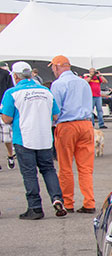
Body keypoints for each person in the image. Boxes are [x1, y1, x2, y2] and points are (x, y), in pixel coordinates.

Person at [1, 62, 66, 220]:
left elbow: (6, 118)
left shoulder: (12, 92)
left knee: (29, 173)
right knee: (48, 169)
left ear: (15, 76)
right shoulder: (45, 91)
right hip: (44, 137)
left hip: (24, 137)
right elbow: (55, 115)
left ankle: (35, 207)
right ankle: (57, 198)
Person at [49, 55, 95, 214]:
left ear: (56, 67)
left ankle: (68, 202)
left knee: (65, 166)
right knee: (86, 167)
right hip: (86, 124)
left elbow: (56, 110)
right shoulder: (83, 82)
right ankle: (89, 201)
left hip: (67, 125)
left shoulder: (58, 84)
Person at [0, 61, 15, 169]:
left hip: (4, 109)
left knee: (7, 138)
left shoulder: (5, 74)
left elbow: (11, 90)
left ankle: (10, 155)